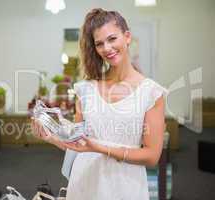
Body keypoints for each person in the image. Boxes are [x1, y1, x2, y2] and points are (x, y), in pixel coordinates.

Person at [32, 8, 168, 200]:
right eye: (99, 43)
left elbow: (152, 156)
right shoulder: (85, 89)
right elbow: (79, 144)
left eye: (112, 39)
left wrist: (98, 148)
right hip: (84, 183)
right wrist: (51, 137)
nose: (107, 48)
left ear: (127, 37)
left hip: (125, 186)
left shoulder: (151, 93)